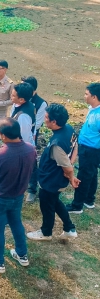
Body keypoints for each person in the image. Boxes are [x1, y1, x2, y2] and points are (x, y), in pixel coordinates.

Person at [0, 118, 36, 273]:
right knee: (16, 223)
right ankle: (22, 254)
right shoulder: (31, 150)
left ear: (3, 136)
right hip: (18, 195)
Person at [27, 104, 79, 241]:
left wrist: (71, 176)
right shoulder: (68, 129)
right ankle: (69, 228)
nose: (44, 120)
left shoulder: (57, 144)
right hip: (55, 180)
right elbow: (75, 147)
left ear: (54, 122)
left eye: (46, 117)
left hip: (51, 181)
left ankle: (46, 233)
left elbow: (67, 168)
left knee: (47, 206)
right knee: (54, 202)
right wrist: (70, 163)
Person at [66, 83, 100, 214]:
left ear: (94, 97)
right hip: (87, 147)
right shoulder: (93, 108)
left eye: (86, 94)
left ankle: (77, 205)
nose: (84, 96)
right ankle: (88, 200)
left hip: (91, 150)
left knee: (83, 175)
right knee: (92, 173)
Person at [9, 82, 37, 202]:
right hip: (17, 144)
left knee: (27, 169)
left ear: (22, 99)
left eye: (13, 95)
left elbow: (25, 136)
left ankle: (30, 190)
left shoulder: (23, 115)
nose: (11, 96)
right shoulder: (18, 105)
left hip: (22, 147)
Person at [21, 76, 48, 148]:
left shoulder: (42, 103)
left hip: (31, 136)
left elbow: (38, 124)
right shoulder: (19, 99)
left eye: (23, 86)